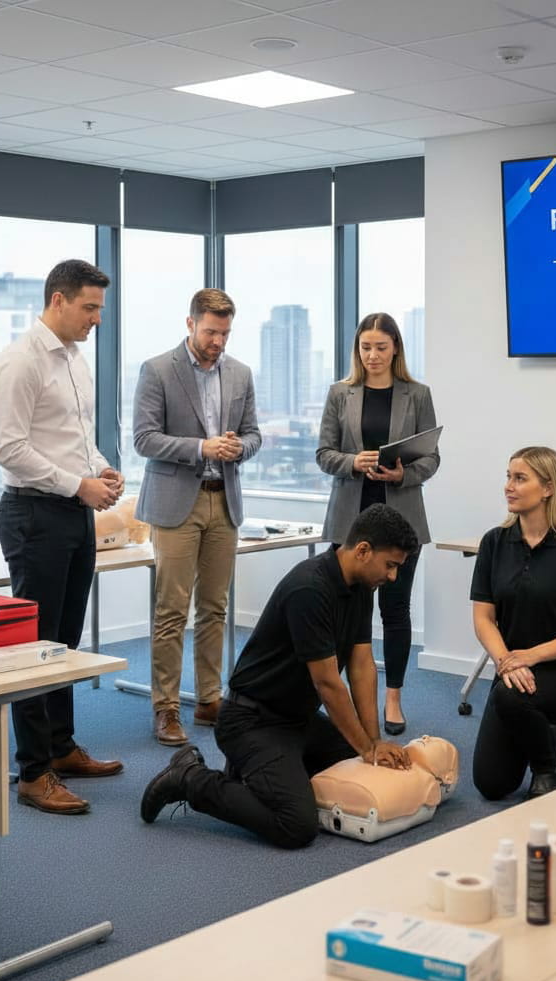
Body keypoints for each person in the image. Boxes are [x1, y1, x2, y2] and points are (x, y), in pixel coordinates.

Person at [140, 504, 419, 849]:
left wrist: (373, 742)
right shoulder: (310, 589)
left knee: (357, 765)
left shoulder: (361, 586)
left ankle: (250, 776)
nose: (392, 577)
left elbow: (361, 665)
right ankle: (190, 778)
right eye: (390, 565)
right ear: (363, 551)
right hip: (251, 721)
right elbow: (328, 684)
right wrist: (367, 749)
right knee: (297, 825)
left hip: (297, 720)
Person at [0, 259, 125, 815]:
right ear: (58, 300)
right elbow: (11, 449)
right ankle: (32, 772)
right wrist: (78, 484)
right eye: (90, 308)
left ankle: (61, 748)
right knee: (35, 643)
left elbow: (75, 438)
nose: (97, 319)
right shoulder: (20, 361)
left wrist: (100, 468)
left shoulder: (74, 358)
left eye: (100, 309)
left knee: (65, 642)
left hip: (73, 511)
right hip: (34, 514)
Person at [134, 288, 261, 746]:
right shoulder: (157, 370)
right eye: (210, 332)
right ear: (190, 324)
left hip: (223, 500)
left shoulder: (240, 373)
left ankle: (209, 699)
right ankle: (166, 707)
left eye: (225, 333)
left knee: (215, 607)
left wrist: (239, 447)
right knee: (171, 610)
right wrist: (201, 448)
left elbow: (254, 434)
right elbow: (144, 439)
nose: (218, 342)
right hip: (176, 504)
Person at [316, 313, 439, 737]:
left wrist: (403, 473)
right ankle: (341, 698)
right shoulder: (340, 393)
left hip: (402, 519)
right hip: (350, 521)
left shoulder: (417, 394)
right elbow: (324, 453)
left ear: (395, 348)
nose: (372, 355)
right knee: (347, 611)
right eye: (365, 347)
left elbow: (432, 457)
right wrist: (354, 461)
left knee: (395, 609)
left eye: (380, 347)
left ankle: (393, 697)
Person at [470, 446, 556, 801]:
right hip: (511, 673)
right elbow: (483, 618)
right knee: (492, 785)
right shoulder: (494, 542)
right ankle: (548, 733)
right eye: (508, 477)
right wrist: (507, 661)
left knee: (511, 696)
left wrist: (531, 656)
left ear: (548, 488)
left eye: (520, 478)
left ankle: (547, 765)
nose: (508, 486)